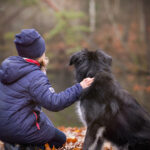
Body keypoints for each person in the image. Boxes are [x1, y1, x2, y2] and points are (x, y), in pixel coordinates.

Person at [0, 29, 94, 149]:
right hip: (19, 130)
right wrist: (79, 87)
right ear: (39, 51)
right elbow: (54, 103)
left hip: (2, 129)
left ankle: (12, 143)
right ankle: (25, 146)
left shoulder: (9, 65)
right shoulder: (35, 76)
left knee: (43, 121)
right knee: (60, 139)